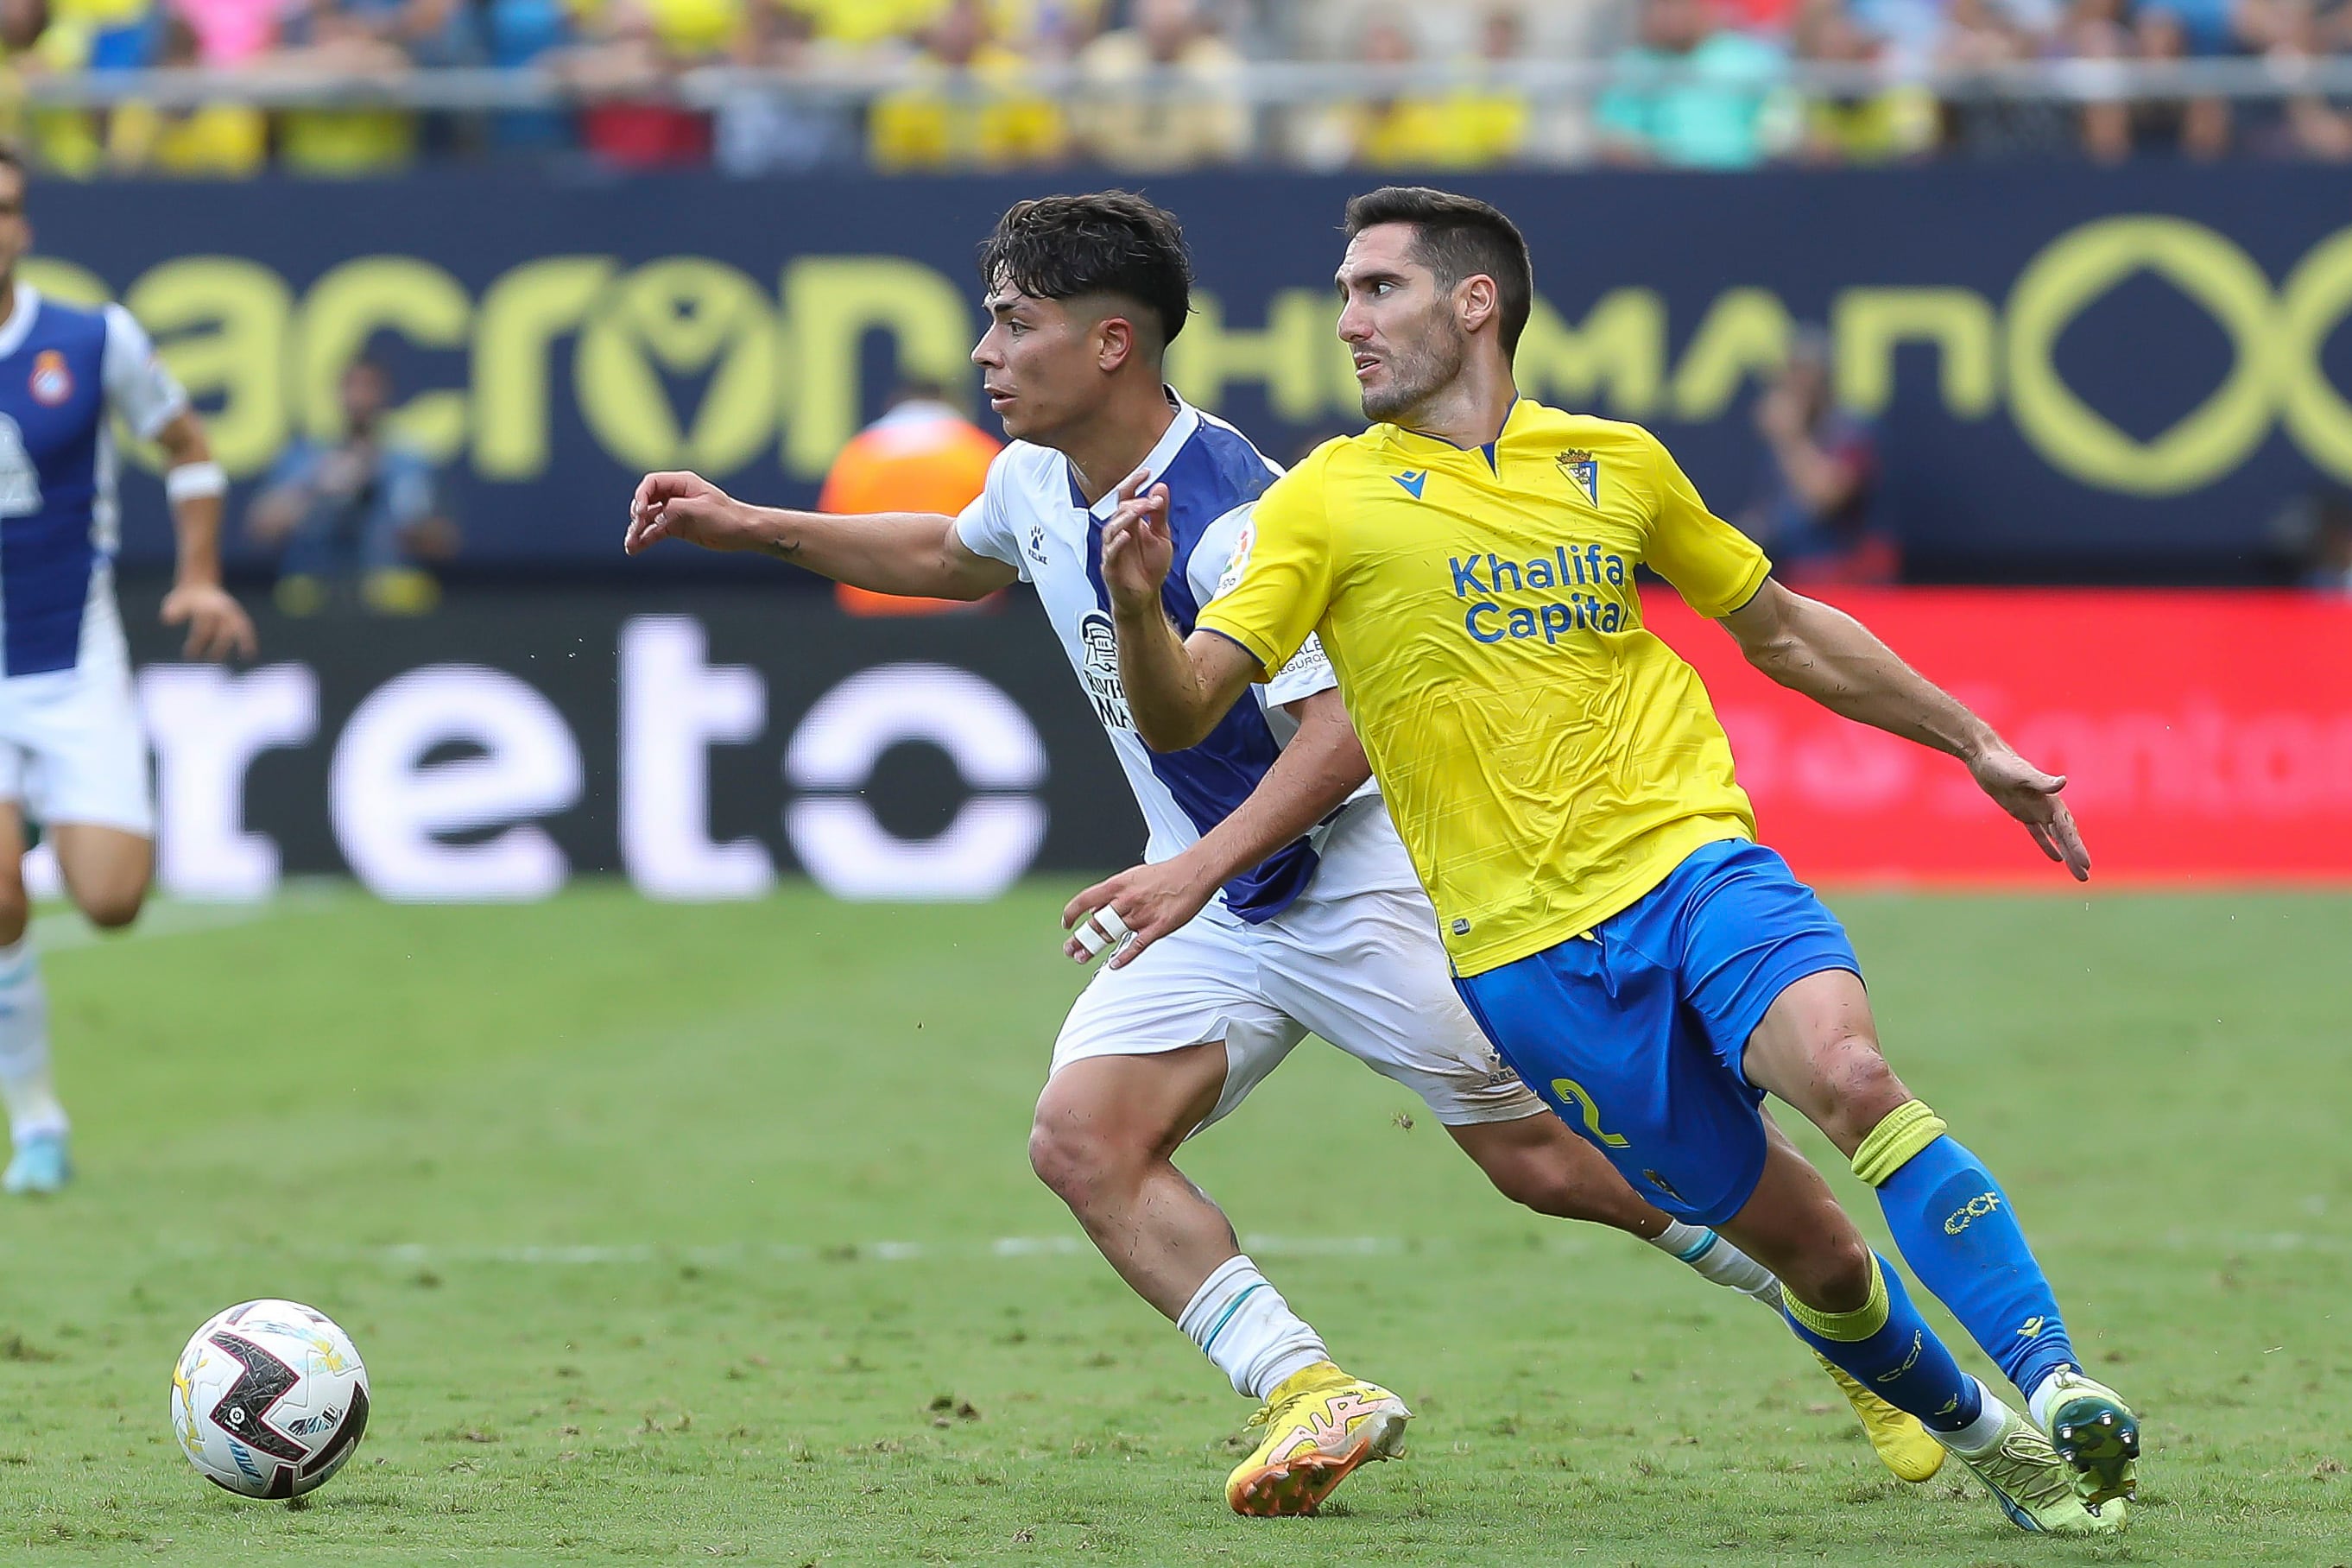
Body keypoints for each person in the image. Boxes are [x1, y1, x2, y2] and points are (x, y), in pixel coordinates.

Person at [625, 191, 1943, 1520]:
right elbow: (958, 556)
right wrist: (755, 527)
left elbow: (1344, 732)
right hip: (1215, 897)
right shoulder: (1034, 475)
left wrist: (1195, 867)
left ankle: (1849, 1322)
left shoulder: (1240, 516)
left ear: (1113, 346)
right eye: (989, 322)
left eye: (1015, 324)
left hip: (1361, 885)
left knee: (1550, 1164)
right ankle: (1308, 1387)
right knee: (1082, 1140)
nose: (984, 352)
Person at [1098, 185, 2142, 1534]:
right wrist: (1137, 608)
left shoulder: (1617, 461)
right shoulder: (1323, 505)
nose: (1343, 318)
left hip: (1690, 864)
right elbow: (1188, 705)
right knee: (1817, 1256)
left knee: (1848, 1069)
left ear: (1475, 303)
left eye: (1377, 289)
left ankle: (2056, 1381)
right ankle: (1990, 1438)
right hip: (1525, 960)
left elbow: (1781, 630)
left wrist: (1975, 742)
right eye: (1343, 293)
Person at [0, 144, 256, 1194]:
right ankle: (37, 1118)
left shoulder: (92, 337)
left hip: (73, 658)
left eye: (9, 206)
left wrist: (199, 573)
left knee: (110, 898)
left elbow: (188, 449)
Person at [245, 357, 456, 616]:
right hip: (314, 586)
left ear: (385, 395)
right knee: (295, 593)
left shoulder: (410, 463)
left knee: (410, 591)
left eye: (369, 387)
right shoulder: (304, 458)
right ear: (337, 395)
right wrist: (315, 486)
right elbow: (261, 530)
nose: (360, 398)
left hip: (389, 587)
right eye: (352, 387)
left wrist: (410, 524)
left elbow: (445, 545)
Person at [815, 380, 1001, 616]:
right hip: (957, 601)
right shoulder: (977, 452)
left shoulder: (858, 455)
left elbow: (829, 527)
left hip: (871, 601)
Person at [1739, 325, 1898, 585]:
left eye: (1805, 373)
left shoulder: (1852, 430)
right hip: (1788, 574)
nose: (1796, 383)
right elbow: (1776, 512)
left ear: (1825, 377)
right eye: (1791, 373)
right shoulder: (1787, 436)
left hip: (1845, 576)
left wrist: (1789, 438)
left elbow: (1824, 498)